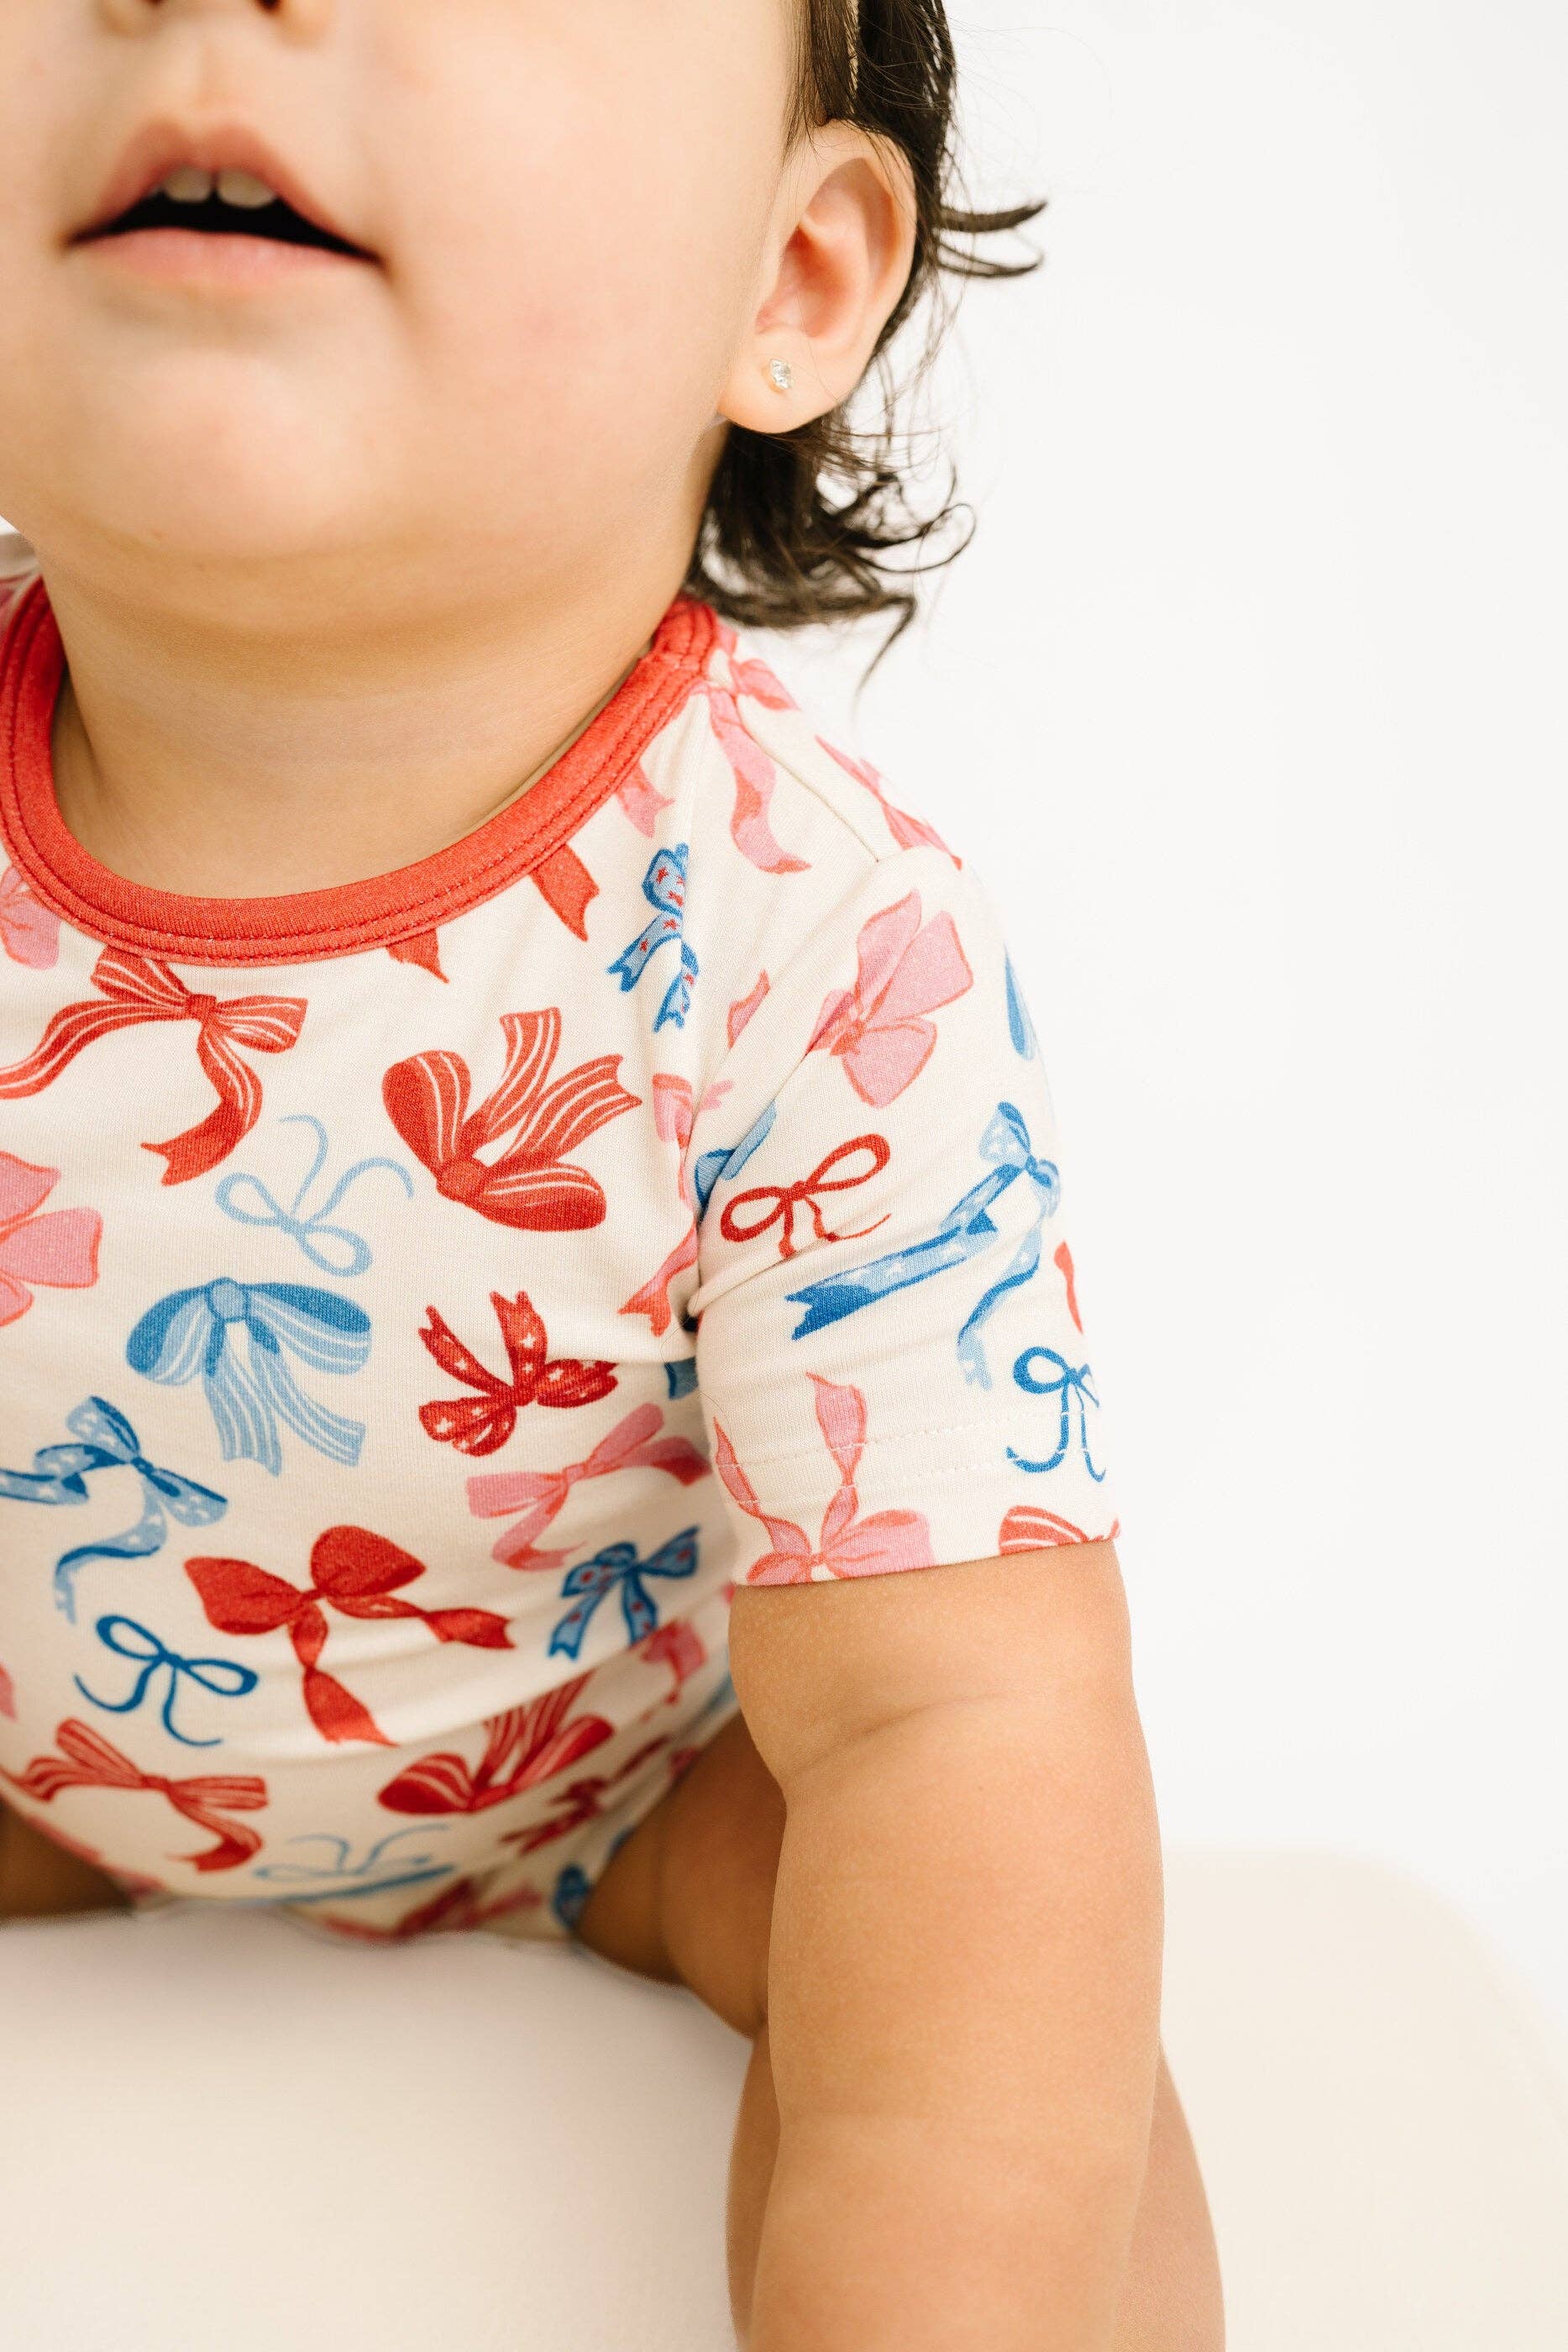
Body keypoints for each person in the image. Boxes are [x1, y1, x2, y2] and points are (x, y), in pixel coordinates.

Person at [0, 3, 1223, 2344]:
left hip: (637, 1794)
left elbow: (956, 1716)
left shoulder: (804, 940)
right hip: (35, 1760)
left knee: (985, 2017)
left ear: (790, 278)